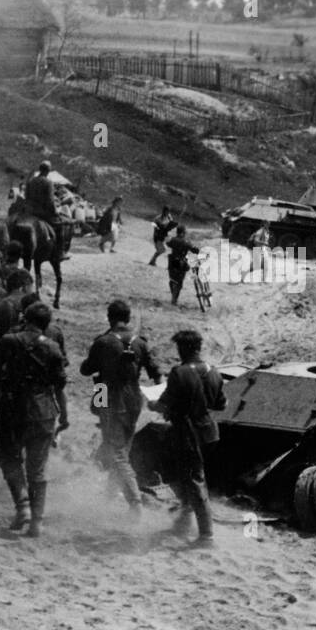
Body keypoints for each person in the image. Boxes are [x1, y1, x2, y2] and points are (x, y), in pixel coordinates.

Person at [0, 302, 68, 536]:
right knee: (38, 469)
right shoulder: (52, 347)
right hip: (44, 412)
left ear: (26, 319)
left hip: (13, 408)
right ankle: (37, 522)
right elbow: (60, 386)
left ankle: (23, 507)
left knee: (9, 459)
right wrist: (65, 416)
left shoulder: (10, 340)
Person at [79, 299, 162, 515]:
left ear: (110, 317)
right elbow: (156, 373)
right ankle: (109, 494)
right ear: (128, 318)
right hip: (134, 398)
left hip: (109, 396)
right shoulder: (140, 342)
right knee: (122, 447)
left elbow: (87, 371)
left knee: (115, 451)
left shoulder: (103, 341)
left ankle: (134, 502)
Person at [148, 329, 226, 547]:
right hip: (208, 431)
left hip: (187, 431)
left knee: (193, 479)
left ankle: (206, 535)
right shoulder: (214, 371)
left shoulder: (179, 372)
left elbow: (164, 403)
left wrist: (152, 403)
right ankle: (183, 523)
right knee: (187, 475)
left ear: (183, 349)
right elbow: (221, 404)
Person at [166, 226, 202, 305]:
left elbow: (167, 243)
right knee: (179, 282)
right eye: (185, 232)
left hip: (172, 262)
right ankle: (174, 299)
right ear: (182, 233)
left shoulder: (172, 239)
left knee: (172, 279)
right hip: (181, 263)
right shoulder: (186, 242)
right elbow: (195, 250)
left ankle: (173, 295)